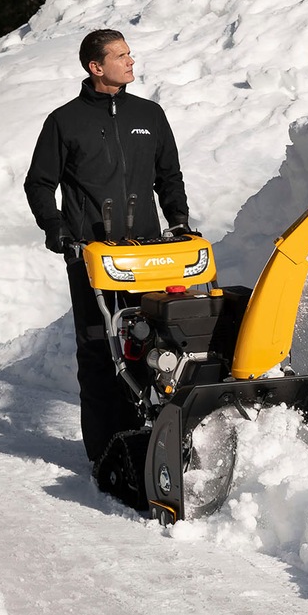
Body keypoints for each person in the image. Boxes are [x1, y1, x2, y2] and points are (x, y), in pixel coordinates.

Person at [23, 28, 192, 485]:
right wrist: (56, 227)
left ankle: (160, 436)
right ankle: (105, 453)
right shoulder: (65, 121)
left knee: (157, 343)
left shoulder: (149, 115)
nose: (130, 60)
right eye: (120, 55)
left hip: (151, 255)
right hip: (91, 256)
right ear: (96, 67)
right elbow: (39, 183)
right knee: (101, 349)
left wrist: (178, 220)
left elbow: (168, 176)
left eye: (129, 52)